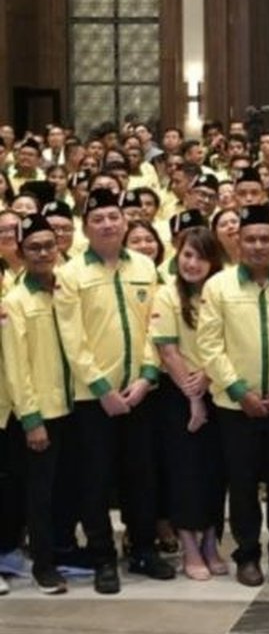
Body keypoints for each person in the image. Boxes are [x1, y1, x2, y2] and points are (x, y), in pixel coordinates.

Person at [55, 188, 169, 593]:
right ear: (86, 227)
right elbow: (73, 338)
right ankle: (102, 556)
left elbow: (155, 326)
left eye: (114, 217)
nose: (107, 224)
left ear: (125, 222)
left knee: (142, 475)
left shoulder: (143, 265)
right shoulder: (70, 274)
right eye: (98, 218)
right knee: (95, 479)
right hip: (93, 398)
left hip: (139, 392)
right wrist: (102, 387)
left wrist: (146, 377)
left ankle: (142, 549)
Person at [197, 203, 269, 587]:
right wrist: (240, 391)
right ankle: (247, 553)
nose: (258, 245)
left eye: (265, 238)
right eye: (250, 239)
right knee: (241, 483)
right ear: (237, 242)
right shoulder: (218, 286)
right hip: (234, 405)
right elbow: (209, 345)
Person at [149, 224, 227, 581]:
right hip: (178, 393)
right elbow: (167, 349)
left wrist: (210, 377)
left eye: (201, 257)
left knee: (215, 471)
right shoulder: (167, 294)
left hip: (219, 388)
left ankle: (211, 541)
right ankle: (189, 546)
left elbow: (228, 342)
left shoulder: (221, 292)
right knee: (183, 472)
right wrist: (194, 396)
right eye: (187, 255)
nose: (193, 264)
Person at [1, 214, 71, 594]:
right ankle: (44, 565)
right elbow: (16, 367)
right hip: (39, 413)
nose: (44, 252)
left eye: (49, 245)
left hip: (72, 406)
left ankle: (60, 552)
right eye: (34, 247)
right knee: (37, 495)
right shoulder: (15, 301)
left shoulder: (66, 290)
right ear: (21, 252)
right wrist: (31, 419)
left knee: (63, 489)